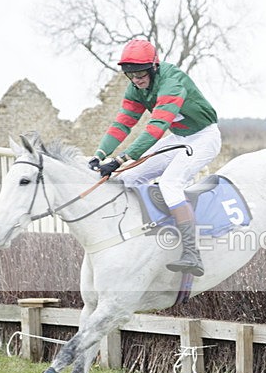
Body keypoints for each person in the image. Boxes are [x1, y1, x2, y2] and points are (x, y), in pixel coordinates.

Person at [89, 39, 220, 277]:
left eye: (141, 74)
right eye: (131, 75)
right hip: (179, 137)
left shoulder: (172, 81)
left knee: (170, 183)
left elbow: (156, 127)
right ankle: (137, 238)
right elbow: (123, 123)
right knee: (128, 177)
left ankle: (192, 253)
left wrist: (119, 159)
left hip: (204, 137)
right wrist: (99, 154)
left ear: (154, 68)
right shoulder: (135, 89)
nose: (137, 80)